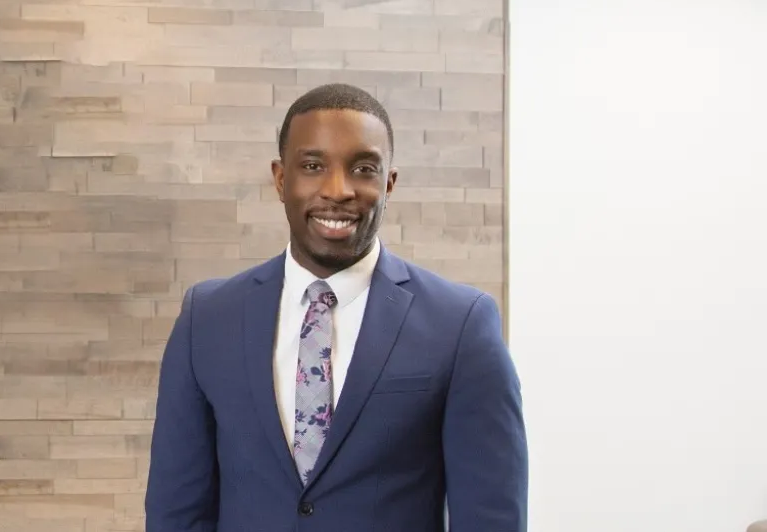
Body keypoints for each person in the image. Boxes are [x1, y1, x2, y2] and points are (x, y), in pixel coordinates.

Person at [145, 83, 526, 532]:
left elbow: (491, 518)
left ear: (389, 183)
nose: (338, 189)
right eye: (312, 166)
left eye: (363, 168)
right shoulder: (206, 318)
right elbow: (177, 511)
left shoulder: (461, 324)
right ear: (281, 179)